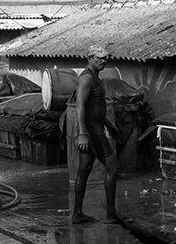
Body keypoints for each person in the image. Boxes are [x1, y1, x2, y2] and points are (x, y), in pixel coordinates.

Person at [71, 45, 123, 225]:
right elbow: (80, 106)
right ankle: (111, 214)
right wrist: (82, 133)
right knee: (112, 166)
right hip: (91, 130)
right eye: (99, 58)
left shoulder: (96, 77)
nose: (104, 60)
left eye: (105, 57)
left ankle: (77, 214)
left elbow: (95, 108)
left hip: (95, 127)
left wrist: (109, 124)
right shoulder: (87, 78)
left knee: (84, 170)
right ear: (90, 58)